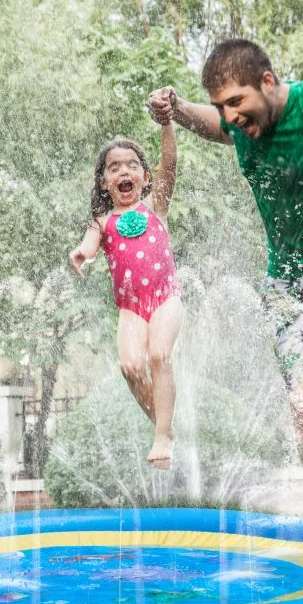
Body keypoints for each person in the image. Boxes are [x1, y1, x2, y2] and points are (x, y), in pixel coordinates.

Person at [148, 38, 303, 520]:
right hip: (290, 284)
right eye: (222, 105)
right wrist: (175, 109)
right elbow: (215, 126)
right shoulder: (239, 125)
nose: (231, 115)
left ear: (269, 83)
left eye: (237, 101)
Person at [69, 116, 183, 469]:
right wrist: (82, 253)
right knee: (131, 367)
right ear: (104, 183)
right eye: (114, 167)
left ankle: (162, 436)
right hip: (131, 308)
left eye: (132, 165)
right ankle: (164, 424)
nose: (124, 172)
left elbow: (171, 164)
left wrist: (167, 124)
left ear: (145, 179)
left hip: (166, 297)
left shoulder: (156, 208)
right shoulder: (102, 222)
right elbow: (89, 245)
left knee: (159, 356)